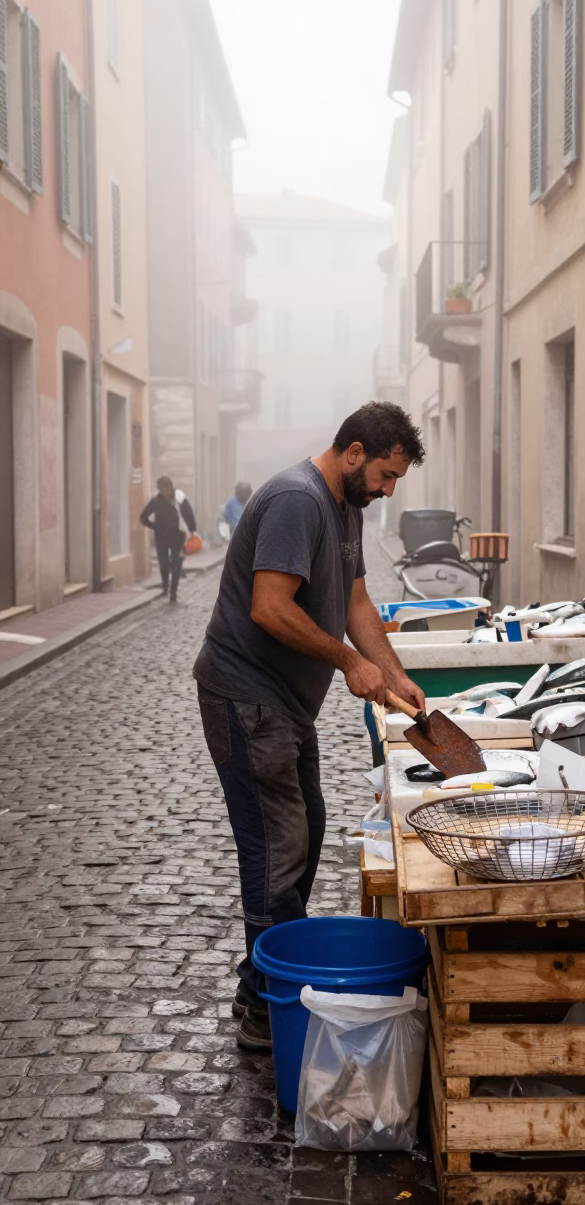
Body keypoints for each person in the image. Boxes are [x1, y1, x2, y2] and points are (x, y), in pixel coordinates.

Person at [193, 401, 426, 1050]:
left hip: (285, 704)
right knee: (278, 845)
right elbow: (269, 607)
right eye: (384, 475)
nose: (386, 491)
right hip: (245, 697)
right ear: (353, 453)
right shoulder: (298, 500)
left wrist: (394, 673)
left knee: (309, 825)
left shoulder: (346, 508)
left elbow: (354, 601)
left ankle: (261, 980)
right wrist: (349, 663)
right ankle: (271, 1002)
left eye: (394, 482)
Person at [139, 477, 196, 603]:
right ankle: (165, 586)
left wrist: (192, 530)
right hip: (162, 538)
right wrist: (155, 527)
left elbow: (189, 514)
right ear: (159, 489)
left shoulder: (180, 498)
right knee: (164, 563)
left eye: (166, 488)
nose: (165, 491)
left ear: (170, 487)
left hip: (178, 537)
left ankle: (173, 591)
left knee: (176, 564)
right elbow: (143, 517)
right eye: (162, 488)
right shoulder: (156, 501)